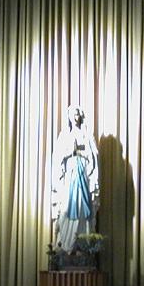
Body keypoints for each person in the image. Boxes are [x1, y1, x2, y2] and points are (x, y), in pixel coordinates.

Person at [50, 105, 100, 254]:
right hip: (69, 178)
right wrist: (69, 152)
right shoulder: (64, 136)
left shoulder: (87, 135)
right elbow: (57, 158)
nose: (76, 117)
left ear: (81, 117)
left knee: (82, 210)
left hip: (82, 176)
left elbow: (94, 155)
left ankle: (83, 245)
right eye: (73, 114)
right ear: (69, 118)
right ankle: (66, 244)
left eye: (78, 114)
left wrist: (82, 152)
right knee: (66, 209)